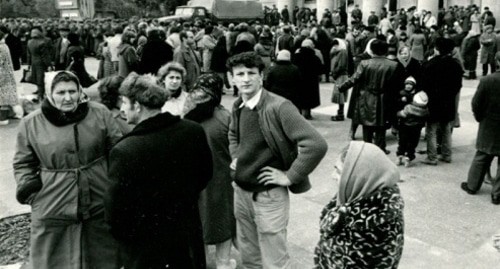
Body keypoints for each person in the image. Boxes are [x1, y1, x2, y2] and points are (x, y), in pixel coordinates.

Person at [227, 52, 328, 269]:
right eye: (240, 74)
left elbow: (316, 144)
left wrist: (290, 176)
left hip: (268, 196)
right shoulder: (238, 105)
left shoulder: (279, 107)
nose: (245, 79)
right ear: (231, 79)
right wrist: (236, 157)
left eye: (251, 73)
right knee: (249, 257)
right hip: (241, 193)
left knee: (275, 261)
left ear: (261, 76)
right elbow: (233, 134)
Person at [13, 71, 122, 269]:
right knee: (52, 259)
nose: (68, 97)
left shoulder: (100, 113)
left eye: (73, 91)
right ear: (49, 94)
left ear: (80, 91)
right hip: (52, 201)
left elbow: (117, 151)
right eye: (61, 92)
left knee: (101, 256)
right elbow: (23, 163)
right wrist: (32, 192)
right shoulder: (31, 123)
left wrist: (112, 184)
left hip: (97, 197)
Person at [105, 72, 212, 269]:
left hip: (145, 248)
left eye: (124, 102)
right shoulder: (192, 130)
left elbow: (115, 212)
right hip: (185, 237)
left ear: (136, 105)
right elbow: (204, 175)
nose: (121, 108)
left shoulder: (126, 149)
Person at [314, 141, 404, 269]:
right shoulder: (372, 200)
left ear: (360, 177)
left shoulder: (364, 226)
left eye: (339, 172)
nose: (332, 176)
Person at [183, 73, 237, 269]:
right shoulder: (226, 117)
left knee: (197, 223)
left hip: (193, 180)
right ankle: (223, 263)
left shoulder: (186, 114)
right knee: (223, 222)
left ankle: (201, 262)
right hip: (221, 178)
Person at [339, 39, 402, 154]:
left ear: (372, 50)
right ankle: (380, 150)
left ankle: (366, 150)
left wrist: (341, 87)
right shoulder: (393, 65)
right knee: (381, 127)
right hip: (384, 99)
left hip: (366, 99)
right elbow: (397, 85)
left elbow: (354, 79)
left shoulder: (365, 63)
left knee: (367, 128)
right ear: (386, 51)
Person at [461, 52, 500, 205]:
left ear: (496, 61)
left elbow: (476, 103)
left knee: (482, 155)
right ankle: (497, 195)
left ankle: (472, 185)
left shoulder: (487, 80)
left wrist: (479, 117)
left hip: (489, 123)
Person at [421, 38, 463, 165]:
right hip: (448, 101)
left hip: (433, 101)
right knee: (446, 129)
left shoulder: (430, 64)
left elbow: (424, 84)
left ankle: (432, 157)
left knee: (431, 129)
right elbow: (458, 86)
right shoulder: (456, 65)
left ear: (437, 49)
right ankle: (447, 155)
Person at [396, 79, 429, 167]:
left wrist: (398, 113)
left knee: (402, 142)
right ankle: (409, 157)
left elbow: (401, 114)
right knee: (412, 144)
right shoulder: (425, 111)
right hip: (416, 129)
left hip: (404, 127)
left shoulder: (408, 107)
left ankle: (400, 156)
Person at [292, 39, 322, 119]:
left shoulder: (296, 56)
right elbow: (320, 69)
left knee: (299, 96)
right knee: (309, 97)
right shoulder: (315, 57)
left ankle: (299, 113)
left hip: (299, 80)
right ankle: (308, 114)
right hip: (311, 81)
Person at [27, 26, 52, 99]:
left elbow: (28, 54)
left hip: (33, 62)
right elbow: (45, 56)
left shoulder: (29, 42)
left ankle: (39, 91)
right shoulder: (42, 43)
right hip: (40, 62)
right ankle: (40, 94)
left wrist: (29, 64)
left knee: (36, 77)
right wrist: (49, 65)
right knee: (41, 77)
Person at [0, 26, 18, 125]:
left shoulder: (1, 47)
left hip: (2, 74)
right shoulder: (4, 46)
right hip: (6, 74)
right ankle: (8, 115)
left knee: (3, 97)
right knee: (5, 96)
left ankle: (3, 118)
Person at [330, 39, 349, 121]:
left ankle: (340, 114)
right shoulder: (339, 52)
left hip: (341, 75)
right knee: (339, 95)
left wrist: (334, 74)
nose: (334, 47)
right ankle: (340, 113)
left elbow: (341, 66)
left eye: (336, 45)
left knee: (340, 94)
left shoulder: (343, 52)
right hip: (340, 75)